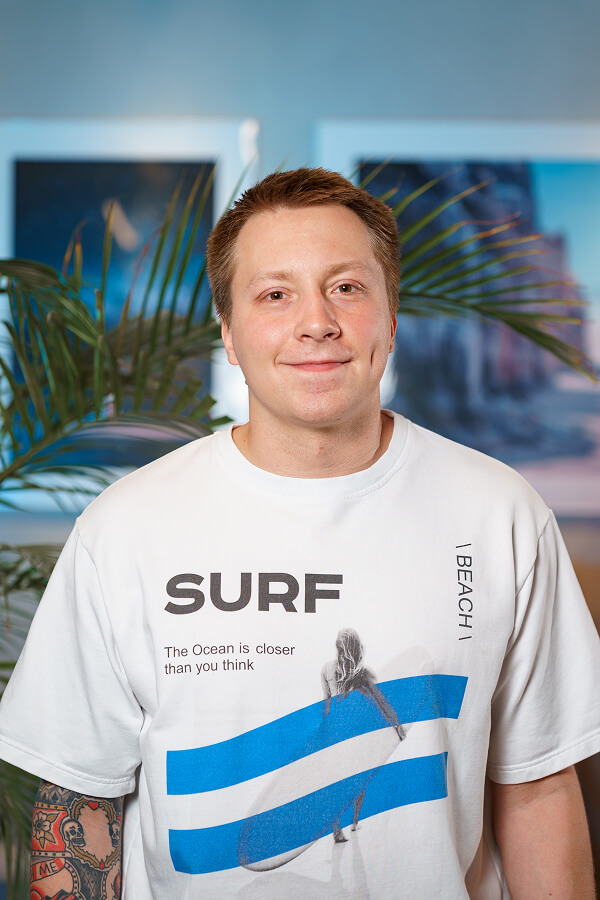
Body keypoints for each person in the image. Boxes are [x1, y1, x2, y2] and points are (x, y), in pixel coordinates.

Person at [0, 167, 599, 899]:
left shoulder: (501, 514)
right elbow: (77, 798)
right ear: (228, 332)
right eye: (275, 295)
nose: (317, 321)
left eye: (346, 287)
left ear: (391, 317)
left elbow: (537, 788)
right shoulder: (126, 529)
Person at [321, 628, 406, 842]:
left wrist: (324, 732)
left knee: (338, 780)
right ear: (357, 648)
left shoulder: (327, 669)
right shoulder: (363, 673)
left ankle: (337, 827)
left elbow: (326, 705)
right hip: (357, 732)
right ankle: (354, 821)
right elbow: (381, 701)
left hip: (336, 730)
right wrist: (397, 724)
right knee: (361, 778)